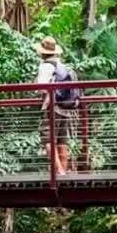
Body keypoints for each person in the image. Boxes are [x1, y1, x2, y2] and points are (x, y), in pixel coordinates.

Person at [34, 36, 80, 175]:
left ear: (42, 53)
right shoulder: (62, 66)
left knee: (48, 139)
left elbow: (42, 88)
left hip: (53, 107)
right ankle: (64, 172)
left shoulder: (45, 66)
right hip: (65, 109)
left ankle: (60, 173)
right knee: (61, 141)